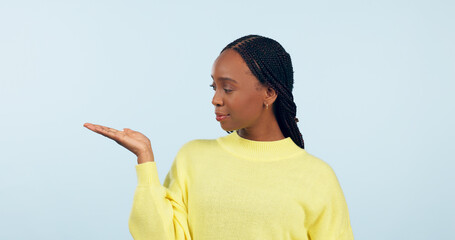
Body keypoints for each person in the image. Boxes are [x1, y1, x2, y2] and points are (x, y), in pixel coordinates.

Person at [84, 34, 354, 240]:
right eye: (214, 87)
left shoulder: (317, 176)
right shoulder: (193, 157)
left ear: (269, 93)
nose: (215, 99)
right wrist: (145, 159)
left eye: (228, 88)